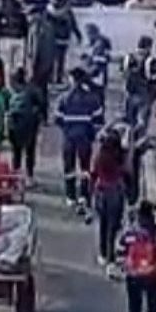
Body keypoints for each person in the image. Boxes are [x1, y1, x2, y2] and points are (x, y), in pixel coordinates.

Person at [56, 67, 105, 214]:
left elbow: (58, 119)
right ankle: (84, 195)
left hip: (69, 137)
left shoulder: (64, 98)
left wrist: (66, 130)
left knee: (69, 168)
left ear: (72, 80)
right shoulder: (92, 98)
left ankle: (71, 196)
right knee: (85, 168)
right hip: (85, 138)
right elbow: (98, 121)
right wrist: (92, 134)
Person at [90, 127, 128, 272]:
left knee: (103, 224)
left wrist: (91, 192)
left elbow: (93, 173)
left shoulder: (100, 156)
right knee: (113, 226)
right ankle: (111, 257)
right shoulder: (120, 155)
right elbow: (126, 171)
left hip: (101, 191)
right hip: (116, 192)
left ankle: (102, 253)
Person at [6, 68, 45, 184]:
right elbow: (41, 105)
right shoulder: (33, 90)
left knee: (16, 152)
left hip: (14, 125)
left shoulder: (10, 92)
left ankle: (15, 177)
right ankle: (29, 176)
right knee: (30, 151)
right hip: (30, 125)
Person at [45, 0, 81, 85]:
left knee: (58, 60)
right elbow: (73, 24)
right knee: (55, 60)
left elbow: (73, 24)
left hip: (57, 39)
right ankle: (54, 78)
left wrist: (78, 35)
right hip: (56, 39)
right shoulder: (65, 10)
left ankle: (56, 78)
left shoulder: (50, 11)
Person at [121, 36, 155, 133]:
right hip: (144, 93)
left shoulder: (128, 57)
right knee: (143, 120)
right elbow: (151, 77)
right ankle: (140, 139)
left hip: (129, 92)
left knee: (130, 118)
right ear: (149, 47)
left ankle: (128, 138)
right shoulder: (149, 60)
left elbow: (123, 73)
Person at [0, 0, 29, 78]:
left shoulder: (1, 10)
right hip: (19, 38)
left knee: (6, 64)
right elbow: (25, 25)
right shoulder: (20, 10)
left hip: (5, 39)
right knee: (18, 63)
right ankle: (18, 80)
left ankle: (8, 84)